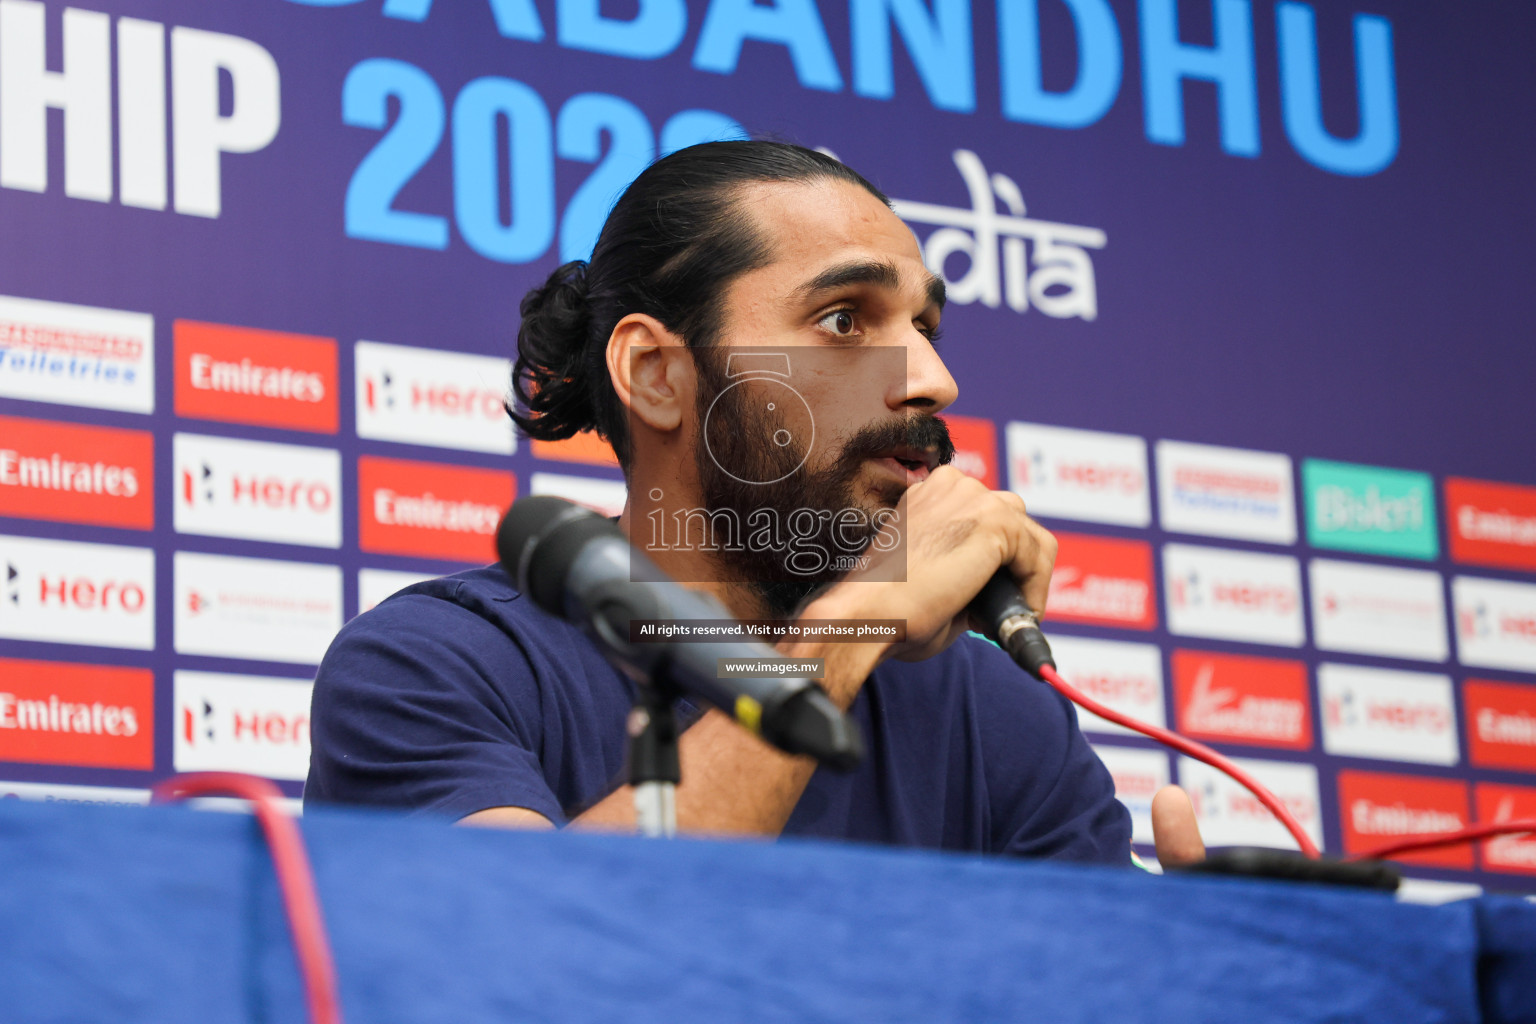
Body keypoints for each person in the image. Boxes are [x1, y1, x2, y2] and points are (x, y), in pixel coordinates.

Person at [305, 140, 1205, 868]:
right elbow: (517, 962)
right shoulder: (435, 664)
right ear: (658, 375)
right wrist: (861, 617)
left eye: (924, 328)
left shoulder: (992, 712)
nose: (934, 379)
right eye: (845, 321)